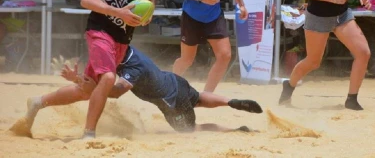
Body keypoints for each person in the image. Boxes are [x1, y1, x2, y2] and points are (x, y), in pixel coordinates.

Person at [13, 45, 263, 137]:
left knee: (191, 130)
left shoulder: (131, 68)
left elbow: (113, 92)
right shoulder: (124, 51)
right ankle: (231, 101)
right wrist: (81, 79)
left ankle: (233, 130)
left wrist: (86, 82)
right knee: (197, 98)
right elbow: (96, 87)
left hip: (172, 101)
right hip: (176, 82)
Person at [68, 0, 156, 139]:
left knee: (86, 90)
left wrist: (147, 17)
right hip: (99, 30)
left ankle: (38, 103)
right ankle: (89, 133)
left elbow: (150, 3)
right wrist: (118, 12)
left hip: (122, 39)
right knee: (108, 78)